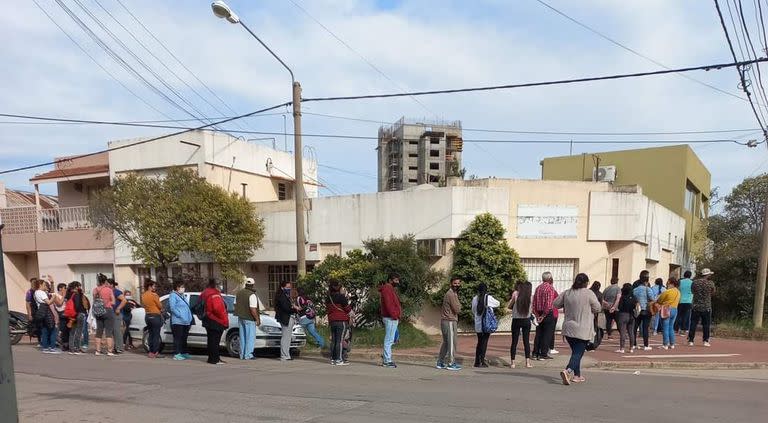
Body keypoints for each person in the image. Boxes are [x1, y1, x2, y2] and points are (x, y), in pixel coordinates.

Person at [553, 273, 601, 385]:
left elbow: (555, 304)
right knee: (578, 353)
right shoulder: (589, 293)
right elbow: (597, 308)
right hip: (583, 328)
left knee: (576, 352)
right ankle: (568, 370)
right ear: (586, 282)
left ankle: (577, 375)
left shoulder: (567, 292)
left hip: (568, 328)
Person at [437, 277, 462, 371]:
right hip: (450, 320)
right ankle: (451, 363)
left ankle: (440, 362)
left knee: (446, 343)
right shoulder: (451, 294)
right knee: (452, 343)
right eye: (455, 283)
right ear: (451, 284)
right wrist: (459, 306)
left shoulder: (453, 293)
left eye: (458, 283)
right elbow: (457, 309)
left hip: (446, 320)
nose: (457, 285)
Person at [472, 283, 499, 368]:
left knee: (479, 342)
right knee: (484, 342)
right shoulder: (488, 298)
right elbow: (498, 303)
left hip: (478, 325)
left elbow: (473, 310)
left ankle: (477, 361)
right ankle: (482, 361)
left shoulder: (475, 298)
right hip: (486, 324)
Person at [201, 279, 229, 365]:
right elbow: (218, 309)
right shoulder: (214, 295)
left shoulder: (206, 293)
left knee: (211, 340)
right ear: (216, 286)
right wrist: (224, 319)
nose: (221, 287)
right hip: (215, 320)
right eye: (220, 285)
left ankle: (213, 358)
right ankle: (214, 359)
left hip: (208, 319)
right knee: (215, 341)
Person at [234, 278, 263, 360]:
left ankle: (242, 354)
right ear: (253, 284)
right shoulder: (252, 294)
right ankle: (248, 354)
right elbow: (253, 308)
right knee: (250, 337)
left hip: (241, 317)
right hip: (249, 318)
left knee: (242, 336)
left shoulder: (239, 293)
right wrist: (257, 319)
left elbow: (235, 304)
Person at [532, 272, 558, 361]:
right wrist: (543, 315)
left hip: (538, 312)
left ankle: (535, 353)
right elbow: (549, 303)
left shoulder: (538, 288)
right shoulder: (550, 288)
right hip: (547, 314)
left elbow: (534, 302)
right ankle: (543, 353)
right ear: (550, 278)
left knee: (538, 334)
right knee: (547, 334)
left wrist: (536, 314)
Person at [326, 279, 352, 365]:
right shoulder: (341, 297)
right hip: (341, 321)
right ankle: (339, 359)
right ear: (338, 288)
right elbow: (347, 309)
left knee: (334, 340)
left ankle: (333, 358)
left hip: (332, 321)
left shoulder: (328, 298)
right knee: (340, 340)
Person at [508, 281, 533, 369]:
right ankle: (527, 362)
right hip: (526, 320)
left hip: (516, 320)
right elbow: (532, 309)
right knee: (526, 341)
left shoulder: (515, 294)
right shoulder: (530, 297)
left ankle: (513, 363)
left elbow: (509, 305)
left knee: (514, 341)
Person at [688, 269, 716, 347]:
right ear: (707, 275)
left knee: (693, 323)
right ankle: (705, 340)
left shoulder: (695, 282)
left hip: (696, 306)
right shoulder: (710, 283)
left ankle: (691, 340)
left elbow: (692, 291)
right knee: (706, 324)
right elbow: (713, 292)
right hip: (706, 306)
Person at [379, 273, 402, 369]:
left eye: (398, 280)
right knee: (389, 339)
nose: (397, 282)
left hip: (391, 317)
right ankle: (387, 360)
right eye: (395, 280)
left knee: (392, 339)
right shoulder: (387, 289)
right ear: (390, 280)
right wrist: (395, 315)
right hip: (390, 317)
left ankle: (386, 357)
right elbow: (389, 304)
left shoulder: (389, 288)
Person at [274, 280, 299, 361]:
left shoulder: (285, 295)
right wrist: (295, 309)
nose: (289, 289)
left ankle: (286, 354)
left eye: (290, 287)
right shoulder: (282, 296)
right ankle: (284, 355)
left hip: (287, 317)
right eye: (287, 287)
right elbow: (286, 308)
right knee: (286, 337)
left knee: (287, 337)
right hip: (285, 318)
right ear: (282, 287)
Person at [92, 274, 116, 356]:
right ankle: (109, 351)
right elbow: (113, 302)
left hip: (98, 311)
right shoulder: (109, 290)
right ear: (105, 281)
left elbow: (94, 300)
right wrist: (107, 302)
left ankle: (98, 351)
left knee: (99, 331)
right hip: (107, 310)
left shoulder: (95, 290)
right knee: (108, 332)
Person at [169, 279, 193, 361]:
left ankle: (183, 352)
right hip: (178, 321)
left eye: (183, 287)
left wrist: (189, 318)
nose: (183, 288)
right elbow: (172, 308)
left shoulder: (183, 296)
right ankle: (176, 353)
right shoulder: (173, 295)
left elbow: (187, 308)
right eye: (182, 287)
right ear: (177, 287)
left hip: (186, 321)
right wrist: (179, 315)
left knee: (184, 338)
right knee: (178, 338)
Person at [34, 279, 60, 354]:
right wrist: (54, 297)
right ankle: (52, 347)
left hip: (41, 312)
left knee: (44, 330)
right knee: (53, 329)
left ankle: (45, 347)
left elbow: (49, 292)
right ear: (40, 285)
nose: (46, 286)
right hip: (46, 312)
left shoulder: (36, 292)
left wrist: (52, 282)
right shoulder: (41, 292)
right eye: (45, 285)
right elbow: (48, 302)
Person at [632, 271, 655, 352]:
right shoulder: (647, 289)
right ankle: (646, 345)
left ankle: (634, 344)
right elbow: (652, 299)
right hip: (646, 310)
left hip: (638, 310)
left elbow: (634, 298)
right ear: (646, 281)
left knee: (635, 327)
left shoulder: (635, 289)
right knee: (645, 328)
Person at [656, 277, 681, 350]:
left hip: (666, 308)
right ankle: (672, 344)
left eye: (668, 282)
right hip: (675, 309)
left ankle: (665, 344)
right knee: (671, 327)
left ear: (671, 283)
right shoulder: (678, 292)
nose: (667, 284)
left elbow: (659, 300)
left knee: (665, 327)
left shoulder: (667, 291)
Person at [141, 279, 163, 358]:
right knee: (156, 335)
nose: (155, 287)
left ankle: (150, 352)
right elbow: (160, 305)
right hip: (155, 316)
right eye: (154, 286)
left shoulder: (143, 295)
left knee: (150, 334)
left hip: (147, 316)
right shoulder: (154, 295)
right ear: (150, 286)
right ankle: (155, 352)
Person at [615, 283, 637, 354]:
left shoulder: (623, 297)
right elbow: (634, 306)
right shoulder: (633, 297)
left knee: (623, 332)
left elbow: (620, 307)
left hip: (623, 315)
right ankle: (631, 348)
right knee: (631, 332)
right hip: (632, 315)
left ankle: (622, 348)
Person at [69, 282, 88, 354]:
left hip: (73, 314)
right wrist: (77, 313)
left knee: (73, 331)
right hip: (78, 314)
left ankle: (72, 348)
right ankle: (76, 348)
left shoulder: (70, 294)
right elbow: (77, 306)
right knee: (78, 332)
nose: (81, 288)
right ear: (76, 287)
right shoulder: (76, 295)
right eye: (80, 286)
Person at [109, 279, 127, 354]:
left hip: (117, 313)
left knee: (117, 331)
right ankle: (116, 347)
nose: (106, 285)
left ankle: (119, 348)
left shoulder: (116, 292)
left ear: (112, 285)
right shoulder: (109, 292)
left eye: (107, 284)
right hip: (111, 313)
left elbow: (124, 300)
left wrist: (118, 308)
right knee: (113, 331)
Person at [676, 270, 694, 335]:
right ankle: (684, 329)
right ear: (690, 275)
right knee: (686, 316)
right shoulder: (692, 282)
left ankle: (676, 328)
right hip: (689, 301)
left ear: (684, 275)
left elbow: (677, 290)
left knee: (678, 315)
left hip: (680, 301)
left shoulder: (680, 281)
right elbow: (693, 291)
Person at [25, 277, 40, 344]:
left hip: (40, 311)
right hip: (34, 311)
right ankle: (39, 341)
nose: (34, 284)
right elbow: (28, 304)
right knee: (36, 327)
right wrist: (29, 314)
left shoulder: (39, 291)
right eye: (33, 282)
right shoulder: (29, 292)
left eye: (35, 282)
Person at [54, 283, 67, 351]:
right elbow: (59, 304)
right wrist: (64, 296)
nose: (65, 290)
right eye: (64, 288)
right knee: (62, 330)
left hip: (66, 313)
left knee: (65, 330)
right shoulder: (56, 295)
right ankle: (62, 344)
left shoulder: (64, 296)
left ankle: (66, 343)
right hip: (61, 313)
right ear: (60, 288)